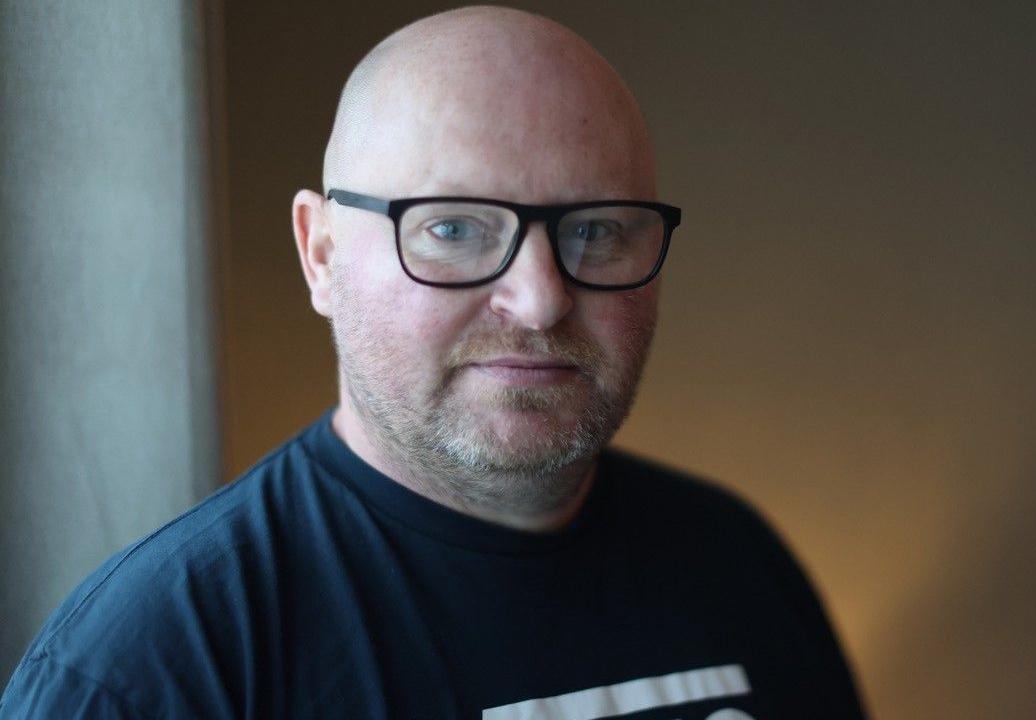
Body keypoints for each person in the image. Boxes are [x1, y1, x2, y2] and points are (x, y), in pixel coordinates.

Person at [0, 7, 865, 718]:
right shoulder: (149, 671)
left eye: (595, 230)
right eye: (453, 228)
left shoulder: (738, 563)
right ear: (322, 254)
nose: (540, 299)